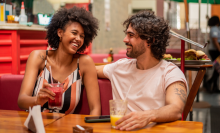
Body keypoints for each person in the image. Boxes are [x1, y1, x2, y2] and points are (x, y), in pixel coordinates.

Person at [96, 10, 188, 131]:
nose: (125, 40)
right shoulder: (119, 67)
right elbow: (89, 70)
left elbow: (176, 109)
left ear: (150, 41)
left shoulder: (170, 72)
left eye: (131, 35)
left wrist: (148, 116)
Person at [17, 6, 101, 115]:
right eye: (74, 33)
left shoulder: (85, 63)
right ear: (60, 33)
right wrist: (37, 100)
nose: (78, 39)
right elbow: (22, 101)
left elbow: (95, 109)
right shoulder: (38, 57)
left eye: (82, 36)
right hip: (36, 126)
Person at [205, 16, 220, 93]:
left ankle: (214, 86)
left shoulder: (216, 28)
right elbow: (215, 40)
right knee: (218, 68)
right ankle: (209, 83)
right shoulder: (214, 28)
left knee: (217, 69)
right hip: (215, 50)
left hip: (215, 50)